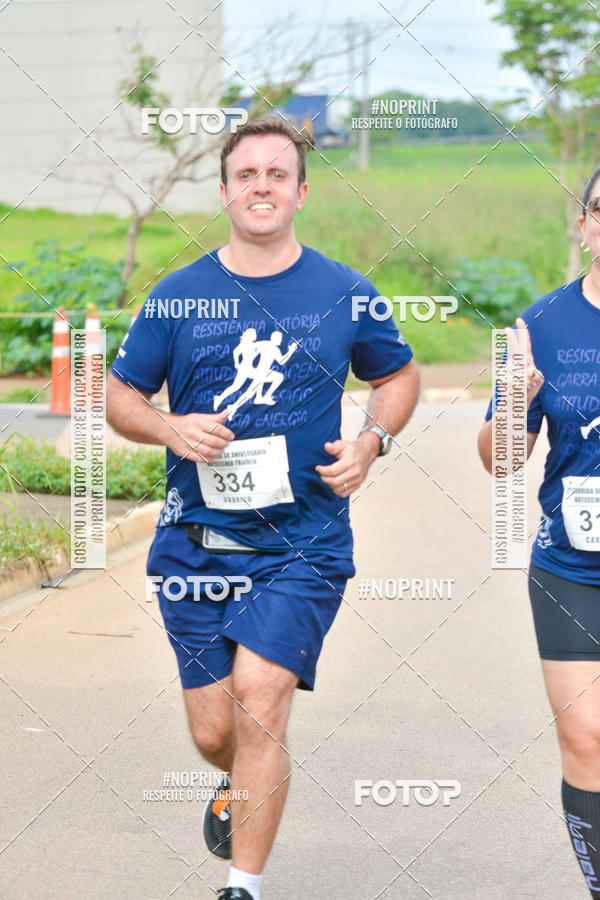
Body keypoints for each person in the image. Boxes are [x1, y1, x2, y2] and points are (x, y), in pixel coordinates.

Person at [106, 118, 419, 900]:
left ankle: (242, 887)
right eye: (247, 174)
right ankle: (235, 782)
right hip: (195, 546)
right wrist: (170, 426)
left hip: (303, 543)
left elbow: (399, 375)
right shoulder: (177, 298)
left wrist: (373, 439)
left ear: (301, 192)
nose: (262, 186)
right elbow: (117, 397)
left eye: (278, 175)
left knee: (260, 700)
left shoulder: (345, 292)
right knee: (218, 731)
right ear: (224, 191)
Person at [478, 165, 600, 896]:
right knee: (586, 739)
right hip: (572, 568)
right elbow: (501, 460)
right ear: (583, 224)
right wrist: (514, 402)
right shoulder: (541, 325)